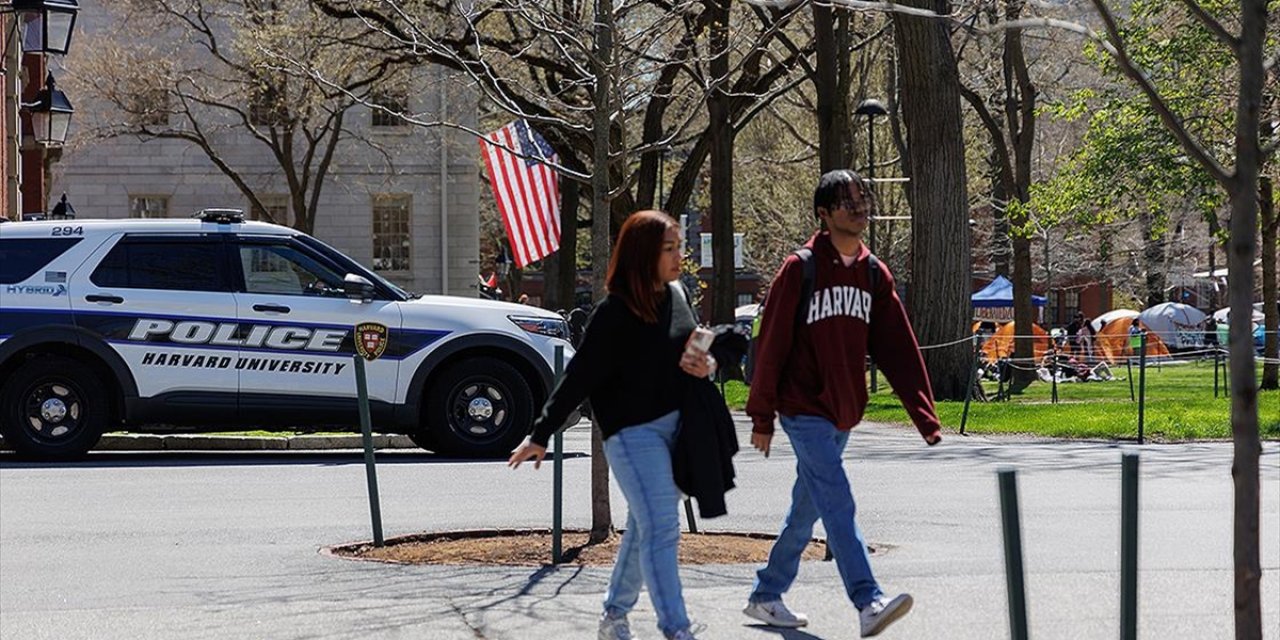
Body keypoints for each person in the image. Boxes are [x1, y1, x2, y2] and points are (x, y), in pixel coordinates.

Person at [743, 169, 942, 638]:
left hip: (844, 409)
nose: (859, 207)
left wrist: (924, 416)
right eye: (847, 201)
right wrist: (762, 414)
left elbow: (898, 345)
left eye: (862, 198)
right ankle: (867, 598)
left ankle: (767, 594)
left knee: (806, 507)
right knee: (837, 498)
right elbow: (770, 345)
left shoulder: (874, 273)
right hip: (802, 406)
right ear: (824, 214)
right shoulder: (801, 268)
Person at [508, 209, 715, 640]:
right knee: (662, 526)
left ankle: (614, 615)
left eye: (680, 246)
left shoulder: (677, 297)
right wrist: (541, 434)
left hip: (675, 431)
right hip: (631, 436)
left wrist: (705, 364)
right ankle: (676, 628)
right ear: (642, 254)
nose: (679, 256)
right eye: (669, 248)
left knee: (644, 527)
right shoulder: (613, 313)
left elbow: (693, 355)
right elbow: (578, 376)